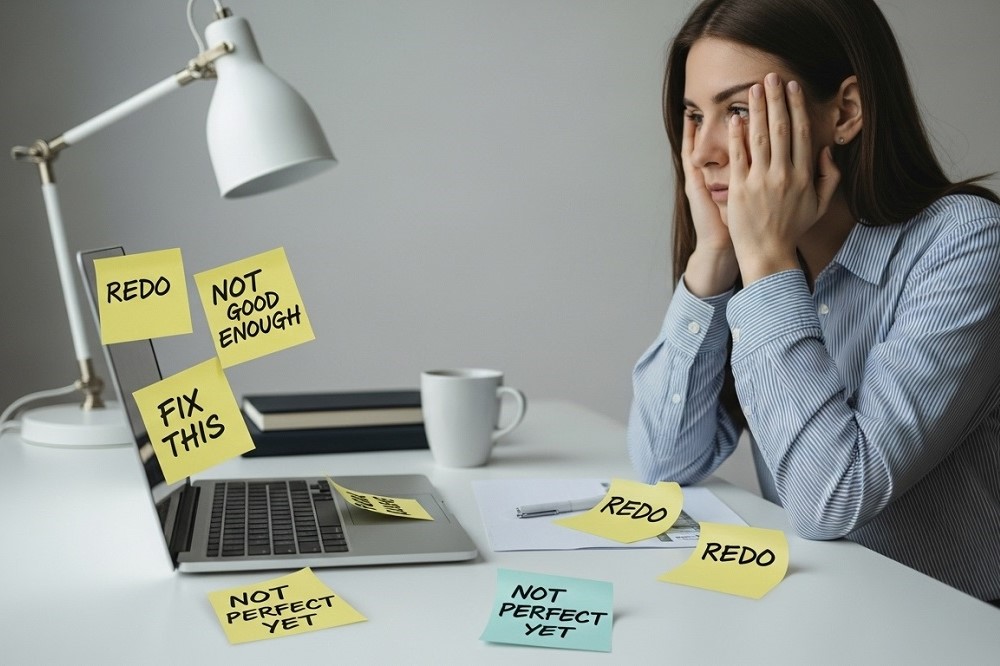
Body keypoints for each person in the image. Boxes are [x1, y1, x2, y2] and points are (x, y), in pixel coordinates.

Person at [626, 0, 1000, 605]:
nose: (702, 152)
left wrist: (767, 264)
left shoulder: (965, 241)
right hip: (812, 611)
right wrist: (713, 262)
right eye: (695, 115)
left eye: (739, 110)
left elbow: (835, 497)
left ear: (845, 111)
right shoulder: (754, 254)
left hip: (951, 630)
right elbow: (663, 467)